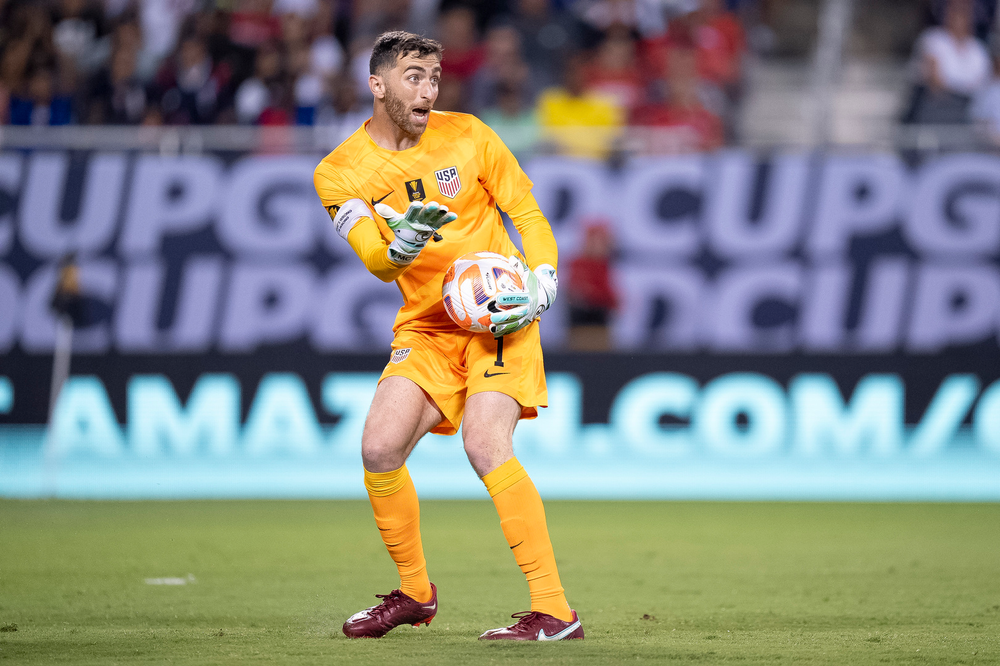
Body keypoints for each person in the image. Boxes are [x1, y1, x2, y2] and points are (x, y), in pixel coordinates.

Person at [312, 31, 582, 642]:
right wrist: (400, 243)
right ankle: (414, 593)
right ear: (377, 85)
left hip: (498, 317)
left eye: (434, 77)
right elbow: (378, 262)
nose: (429, 89)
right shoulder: (339, 172)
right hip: (428, 326)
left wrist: (542, 279)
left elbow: (529, 216)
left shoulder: (471, 135)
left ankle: (556, 611)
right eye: (414, 76)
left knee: (486, 444)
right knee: (379, 450)